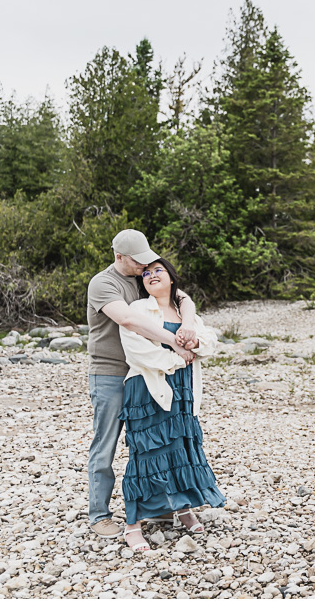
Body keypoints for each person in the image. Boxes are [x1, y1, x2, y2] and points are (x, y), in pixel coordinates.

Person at [86, 230, 198, 539]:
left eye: (148, 260)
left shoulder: (141, 276)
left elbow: (182, 297)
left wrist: (187, 324)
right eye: (139, 261)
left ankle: (159, 507)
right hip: (109, 373)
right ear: (118, 257)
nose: (145, 266)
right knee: (105, 443)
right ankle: (99, 515)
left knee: (151, 441)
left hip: (145, 371)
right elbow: (128, 320)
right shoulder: (103, 283)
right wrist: (175, 342)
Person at [119, 258, 225, 552]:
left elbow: (210, 341)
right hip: (149, 386)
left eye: (158, 271)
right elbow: (135, 347)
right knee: (145, 455)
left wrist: (194, 345)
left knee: (181, 447)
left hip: (184, 389)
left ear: (171, 277)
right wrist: (176, 359)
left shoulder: (183, 310)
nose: (151, 275)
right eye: (146, 273)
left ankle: (182, 508)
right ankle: (132, 525)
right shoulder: (139, 309)